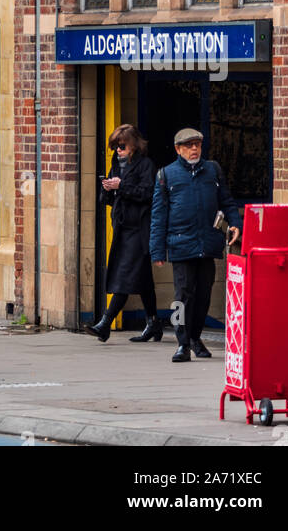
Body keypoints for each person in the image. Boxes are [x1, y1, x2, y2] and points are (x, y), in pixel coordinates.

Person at [149, 127, 241, 362]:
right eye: (189, 146)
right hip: (181, 245)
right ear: (178, 149)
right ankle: (182, 343)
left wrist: (235, 223)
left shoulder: (213, 170)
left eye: (197, 145)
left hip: (208, 243)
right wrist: (157, 250)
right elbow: (158, 216)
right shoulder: (166, 175)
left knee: (203, 296)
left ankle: (195, 337)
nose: (194, 149)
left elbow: (227, 202)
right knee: (182, 297)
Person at [87, 124, 161, 343]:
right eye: (115, 147)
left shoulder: (145, 165)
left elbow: (148, 194)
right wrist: (107, 189)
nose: (118, 151)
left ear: (133, 145)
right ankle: (153, 323)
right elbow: (109, 201)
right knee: (143, 280)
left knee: (124, 276)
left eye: (121, 146)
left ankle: (105, 323)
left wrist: (122, 186)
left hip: (140, 229)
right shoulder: (116, 165)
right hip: (122, 227)